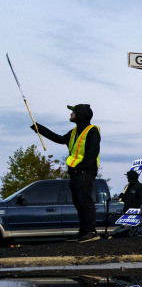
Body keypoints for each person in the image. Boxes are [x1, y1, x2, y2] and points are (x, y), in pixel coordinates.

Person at [31, 104, 101, 243]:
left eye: (73, 112)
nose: (70, 114)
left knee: (85, 201)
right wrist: (38, 128)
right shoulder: (74, 132)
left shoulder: (92, 131)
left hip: (85, 172)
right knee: (78, 202)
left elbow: (92, 153)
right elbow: (58, 139)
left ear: (80, 114)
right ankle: (83, 232)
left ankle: (91, 232)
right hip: (76, 173)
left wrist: (81, 167)